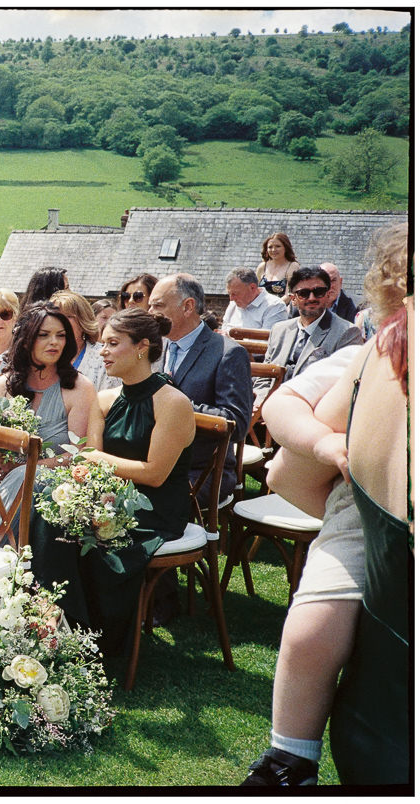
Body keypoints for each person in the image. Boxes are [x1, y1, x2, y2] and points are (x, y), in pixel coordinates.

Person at [241, 223, 410, 787]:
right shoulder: (376, 353)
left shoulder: (363, 346)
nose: (308, 301)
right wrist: (324, 443)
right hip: (353, 501)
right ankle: (290, 753)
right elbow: (283, 406)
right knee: (316, 618)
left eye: (318, 293)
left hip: (365, 500)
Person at [28, 308, 195, 656]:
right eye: (102, 343)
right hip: (109, 497)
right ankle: (54, 620)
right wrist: (92, 485)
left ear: (142, 347)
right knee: (50, 515)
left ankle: (95, 640)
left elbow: (154, 474)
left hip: (155, 508)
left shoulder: (172, 403)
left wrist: (97, 461)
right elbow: (89, 466)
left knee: (93, 543)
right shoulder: (104, 400)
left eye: (112, 343)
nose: (101, 351)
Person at [0, 304, 101, 544]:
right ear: (26, 340)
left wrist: (21, 468)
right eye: (44, 335)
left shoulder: (78, 388)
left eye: (60, 335)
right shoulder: (4, 385)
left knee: (24, 476)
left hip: (58, 482)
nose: (54, 342)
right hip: (7, 483)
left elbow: (79, 455)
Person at [148, 273, 252, 504]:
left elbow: (237, 424)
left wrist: (176, 404)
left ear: (188, 306)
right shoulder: (155, 347)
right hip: (154, 462)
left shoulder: (228, 353)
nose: (150, 313)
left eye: (158, 305)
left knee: (138, 502)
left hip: (202, 472)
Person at [262, 266, 362, 385]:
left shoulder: (347, 333)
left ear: (327, 295)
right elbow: (264, 377)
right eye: (303, 293)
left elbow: (343, 384)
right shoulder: (279, 330)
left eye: (318, 292)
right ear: (293, 299)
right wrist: (260, 401)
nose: (312, 298)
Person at [50, 289, 117, 391]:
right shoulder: (43, 356)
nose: (61, 321)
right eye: (56, 316)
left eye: (68, 316)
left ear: (83, 321)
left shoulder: (104, 358)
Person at [220, 267, 289, 332]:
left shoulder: (275, 306)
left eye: (235, 293)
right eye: (229, 294)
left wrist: (232, 340)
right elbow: (223, 331)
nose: (231, 299)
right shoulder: (233, 304)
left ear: (252, 288)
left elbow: (268, 341)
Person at [289, 262, 358, 323]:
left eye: (333, 280)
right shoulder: (299, 304)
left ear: (340, 282)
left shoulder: (357, 306)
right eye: (325, 282)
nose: (330, 286)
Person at [255, 232, 301, 298]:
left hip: (282, 306)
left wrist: (273, 307)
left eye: (278, 246)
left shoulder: (292, 266)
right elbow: (253, 291)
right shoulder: (262, 267)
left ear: (286, 247)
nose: (273, 250)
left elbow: (290, 294)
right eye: (270, 247)